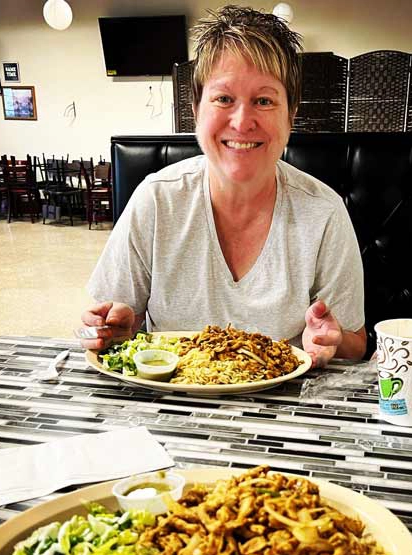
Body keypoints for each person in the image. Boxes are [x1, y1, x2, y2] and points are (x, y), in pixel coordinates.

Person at [82, 5, 366, 367]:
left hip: (284, 410)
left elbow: (356, 343)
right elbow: (110, 324)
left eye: (264, 100)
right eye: (224, 99)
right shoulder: (157, 199)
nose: (242, 121)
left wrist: (331, 339)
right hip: (171, 403)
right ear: (197, 110)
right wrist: (113, 329)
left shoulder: (323, 211)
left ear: (291, 115)